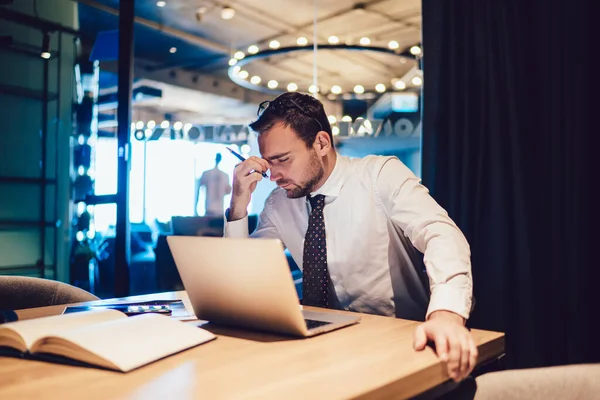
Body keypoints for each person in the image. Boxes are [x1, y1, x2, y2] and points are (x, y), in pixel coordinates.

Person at [224, 92, 476, 382]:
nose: (275, 176)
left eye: (282, 159)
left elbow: (440, 233)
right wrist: (238, 202)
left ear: (321, 143)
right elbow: (241, 278)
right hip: (318, 349)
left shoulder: (379, 175)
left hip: (401, 341)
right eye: (269, 163)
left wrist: (446, 313)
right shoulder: (278, 203)